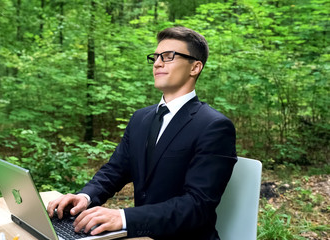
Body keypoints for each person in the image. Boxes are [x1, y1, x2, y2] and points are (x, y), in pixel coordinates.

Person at [47, 26, 237, 239]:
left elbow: (197, 205)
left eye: (168, 57)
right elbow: (115, 170)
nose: (157, 63)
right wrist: (86, 197)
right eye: (155, 57)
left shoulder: (214, 126)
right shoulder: (140, 119)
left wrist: (123, 218)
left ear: (195, 67)